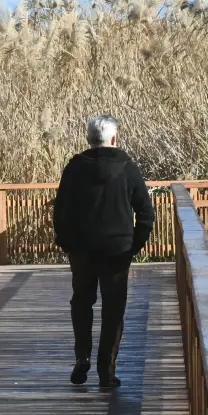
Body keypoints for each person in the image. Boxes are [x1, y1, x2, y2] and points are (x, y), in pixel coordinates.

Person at [53, 114, 155, 388]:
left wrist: (66, 244)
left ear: (89, 139)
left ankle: (82, 357)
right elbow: (146, 212)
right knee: (113, 310)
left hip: (82, 251)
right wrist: (134, 246)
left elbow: (60, 212)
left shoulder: (74, 168)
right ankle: (106, 370)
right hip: (117, 251)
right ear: (114, 139)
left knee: (81, 303)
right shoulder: (127, 168)